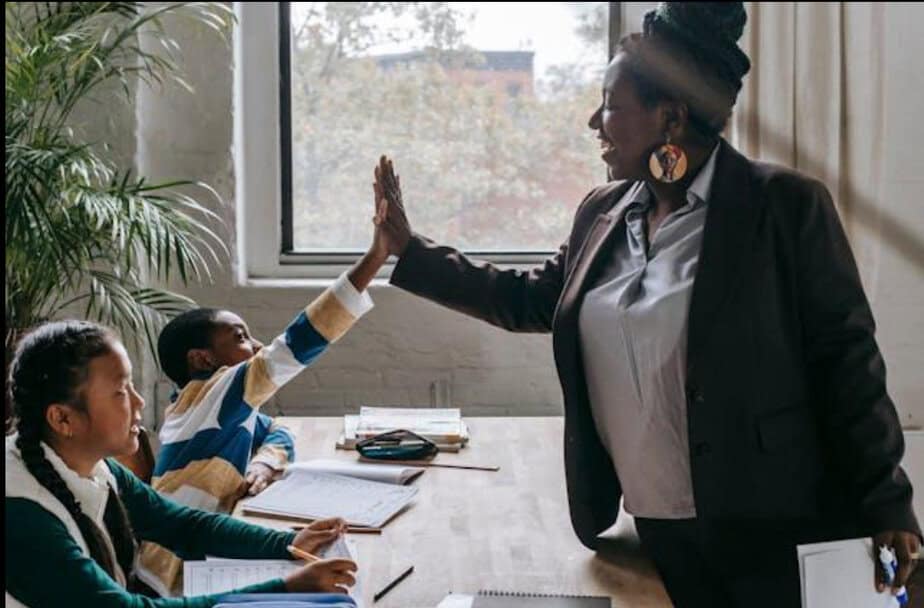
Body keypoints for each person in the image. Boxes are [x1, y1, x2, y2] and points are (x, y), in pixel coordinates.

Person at [369, 3, 921, 606]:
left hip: (772, 534)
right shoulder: (602, 214)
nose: (592, 121)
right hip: (653, 531)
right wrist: (408, 251)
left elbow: (847, 363)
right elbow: (530, 299)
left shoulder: (784, 208)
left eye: (609, 103)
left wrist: (888, 502)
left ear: (671, 117)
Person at [137, 188, 393, 595]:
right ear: (203, 360)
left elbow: (278, 431)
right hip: (172, 574)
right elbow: (295, 345)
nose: (255, 346)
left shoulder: (212, 408)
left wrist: (265, 464)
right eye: (240, 337)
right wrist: (375, 257)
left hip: (202, 551)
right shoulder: (211, 393)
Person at [5, 320, 358, 607]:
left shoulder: (87, 462)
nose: (140, 401)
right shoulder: (22, 512)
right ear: (62, 419)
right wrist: (283, 589)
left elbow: (181, 526)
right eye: (120, 391)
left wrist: (288, 541)